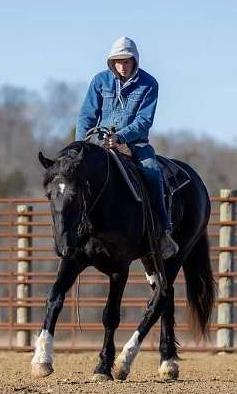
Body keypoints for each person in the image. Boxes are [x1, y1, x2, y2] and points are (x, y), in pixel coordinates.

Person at [75, 36, 179, 259]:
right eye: (118, 61)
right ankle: (75, 227)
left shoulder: (149, 84)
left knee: (152, 171)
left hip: (135, 142)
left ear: (135, 61)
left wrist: (120, 138)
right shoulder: (100, 81)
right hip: (99, 140)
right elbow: (86, 115)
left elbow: (144, 121)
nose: (122, 65)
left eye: (127, 61)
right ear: (112, 62)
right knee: (75, 174)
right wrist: (81, 145)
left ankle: (162, 228)